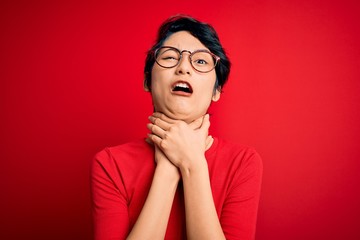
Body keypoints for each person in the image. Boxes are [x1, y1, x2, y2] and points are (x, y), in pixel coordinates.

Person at [91, 15, 263, 240]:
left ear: (216, 90)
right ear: (147, 81)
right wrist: (167, 170)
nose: (183, 68)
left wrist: (193, 164)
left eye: (201, 61)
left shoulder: (243, 163)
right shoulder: (109, 164)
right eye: (170, 57)